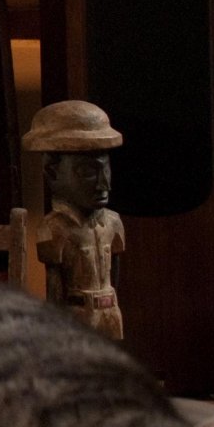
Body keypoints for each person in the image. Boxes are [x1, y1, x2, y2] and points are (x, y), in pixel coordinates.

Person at [23, 101, 126, 340]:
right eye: (88, 172)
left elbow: (116, 275)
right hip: (76, 316)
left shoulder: (114, 222)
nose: (104, 184)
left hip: (110, 310)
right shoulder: (54, 228)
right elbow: (54, 288)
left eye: (106, 170)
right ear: (51, 172)